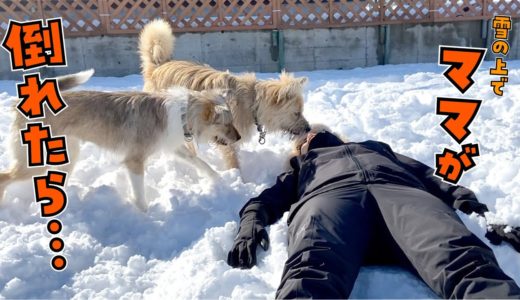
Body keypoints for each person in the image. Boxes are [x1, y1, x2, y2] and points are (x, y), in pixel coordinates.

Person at [227, 126, 520, 299]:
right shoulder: (304, 165)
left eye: (314, 130)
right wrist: (250, 229)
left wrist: (481, 212)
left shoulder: (376, 148)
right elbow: (263, 202)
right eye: (304, 138)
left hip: (402, 195)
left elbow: (432, 177)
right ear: (300, 148)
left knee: (459, 256)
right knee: (311, 272)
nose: (310, 134)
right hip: (330, 199)